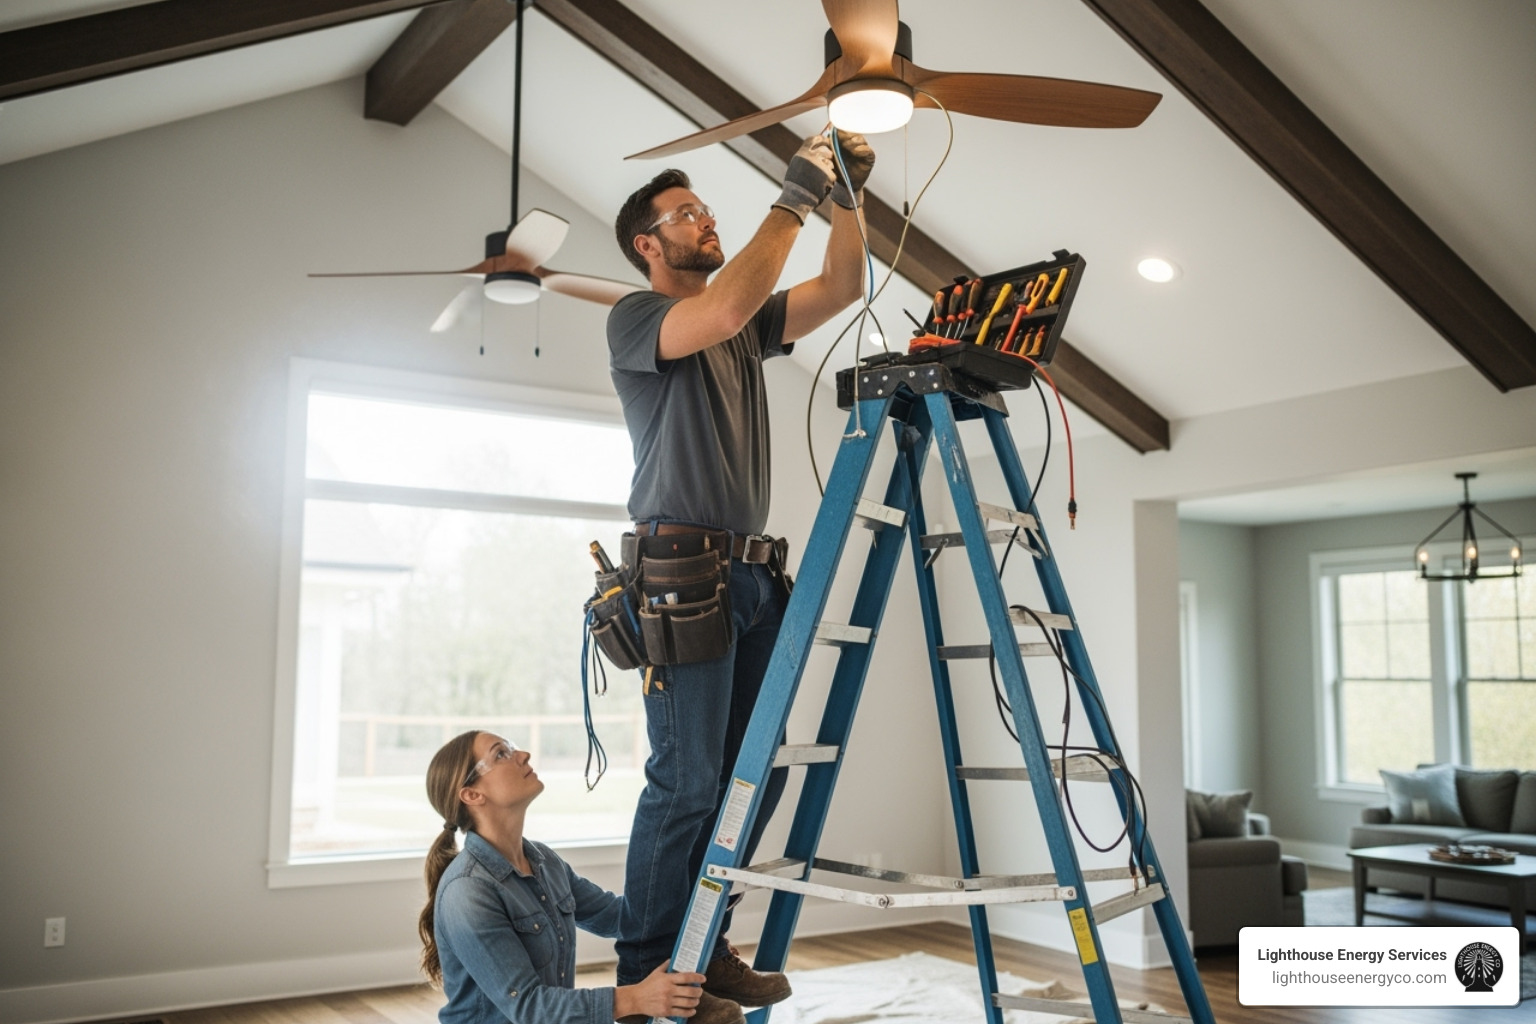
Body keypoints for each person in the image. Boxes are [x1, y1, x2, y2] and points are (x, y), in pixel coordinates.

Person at [606, 130, 876, 1023]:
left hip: (753, 575)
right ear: (648, 243)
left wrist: (847, 196)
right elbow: (720, 312)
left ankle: (702, 945)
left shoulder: (746, 320)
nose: (705, 220)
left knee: (755, 776)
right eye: (687, 213)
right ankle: (651, 981)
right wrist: (794, 194)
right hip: (679, 572)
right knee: (687, 781)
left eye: (705, 208)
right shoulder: (638, 319)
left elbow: (843, 286)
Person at [419, 730, 708, 1024]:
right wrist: (635, 998)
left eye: (512, 748)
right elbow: (529, 1006)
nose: (524, 755)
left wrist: (704, 920)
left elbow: (620, 917)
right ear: (472, 795)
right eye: (501, 754)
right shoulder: (467, 890)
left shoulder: (544, 862)